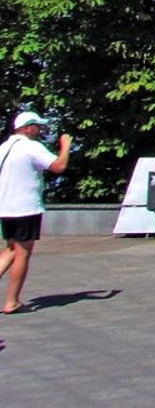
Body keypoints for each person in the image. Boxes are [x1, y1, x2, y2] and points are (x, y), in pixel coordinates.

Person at [0, 112, 72, 314]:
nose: (40, 130)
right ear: (26, 127)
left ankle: (12, 300)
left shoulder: (4, 147)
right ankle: (12, 301)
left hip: (6, 207)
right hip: (26, 208)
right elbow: (59, 166)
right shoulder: (32, 147)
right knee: (23, 253)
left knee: (11, 249)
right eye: (37, 126)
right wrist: (65, 147)